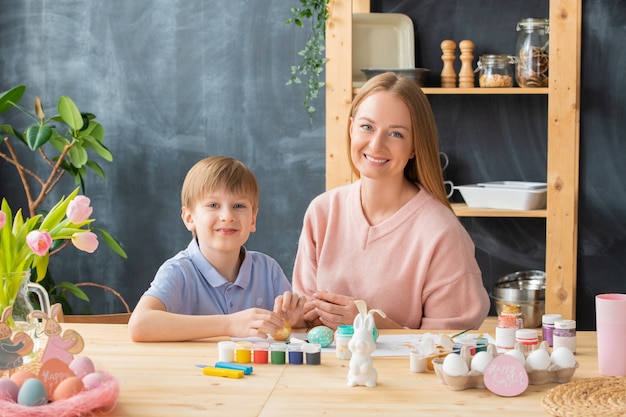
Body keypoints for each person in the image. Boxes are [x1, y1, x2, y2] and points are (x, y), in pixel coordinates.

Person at [292, 72, 490, 331]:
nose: (376, 144)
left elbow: (450, 346)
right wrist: (295, 319)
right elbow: (306, 324)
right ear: (351, 128)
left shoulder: (442, 232)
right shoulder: (322, 212)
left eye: (395, 134)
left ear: (414, 147)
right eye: (367, 127)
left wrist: (371, 324)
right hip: (329, 371)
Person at [129, 156, 303, 342]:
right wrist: (229, 324)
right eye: (213, 205)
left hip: (255, 371)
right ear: (189, 218)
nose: (227, 216)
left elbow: (291, 330)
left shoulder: (268, 270)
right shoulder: (179, 271)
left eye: (239, 206)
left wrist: (293, 321)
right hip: (190, 370)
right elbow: (140, 325)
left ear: (252, 219)